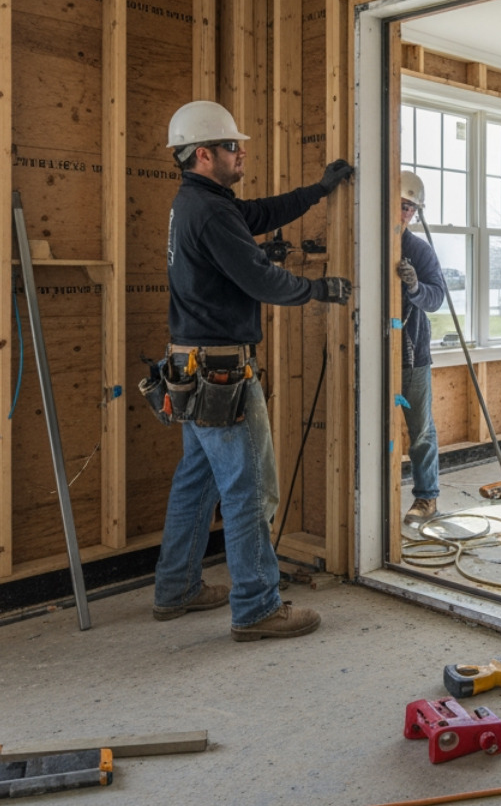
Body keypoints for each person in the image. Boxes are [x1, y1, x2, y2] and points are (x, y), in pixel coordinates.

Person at [151, 99, 354, 641]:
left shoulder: (197, 203)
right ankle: (258, 607)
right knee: (250, 489)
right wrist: (318, 289)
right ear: (203, 154)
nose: (241, 153)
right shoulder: (212, 212)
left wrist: (317, 190)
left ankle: (177, 589)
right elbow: (263, 281)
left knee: (196, 483)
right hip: (220, 373)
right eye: (231, 147)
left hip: (189, 369)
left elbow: (258, 214)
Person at [395, 171, 449, 533]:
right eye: (401, 205)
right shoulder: (364, 241)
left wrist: (414, 285)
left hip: (412, 355)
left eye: (412, 208)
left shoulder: (418, 250)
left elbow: (437, 297)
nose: (406, 214)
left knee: (422, 432)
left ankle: (427, 497)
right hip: (370, 354)